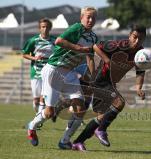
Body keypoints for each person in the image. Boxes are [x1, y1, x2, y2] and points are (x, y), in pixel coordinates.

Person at [27, 6, 98, 147]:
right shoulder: (77, 28)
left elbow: (90, 59)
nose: (90, 20)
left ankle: (64, 141)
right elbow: (58, 41)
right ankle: (32, 126)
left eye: (93, 17)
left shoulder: (94, 37)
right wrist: (78, 48)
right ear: (81, 18)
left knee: (80, 109)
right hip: (54, 70)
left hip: (70, 73)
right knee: (49, 112)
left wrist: (93, 78)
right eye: (88, 17)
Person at [71, 25, 147, 151]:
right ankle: (101, 130)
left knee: (101, 117)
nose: (137, 41)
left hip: (109, 83)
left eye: (141, 39)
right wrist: (107, 60)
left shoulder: (141, 53)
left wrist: (139, 88)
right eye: (135, 37)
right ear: (130, 36)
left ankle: (77, 142)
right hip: (101, 78)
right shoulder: (119, 45)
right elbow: (96, 46)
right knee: (119, 102)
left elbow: (140, 71)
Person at [22, 18, 55, 128]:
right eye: (42, 27)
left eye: (47, 27)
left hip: (48, 72)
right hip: (35, 73)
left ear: (50, 28)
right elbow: (25, 54)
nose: (45, 29)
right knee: (36, 99)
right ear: (39, 28)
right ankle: (37, 114)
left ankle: (38, 120)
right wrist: (34, 58)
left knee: (43, 96)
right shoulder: (33, 40)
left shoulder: (54, 41)